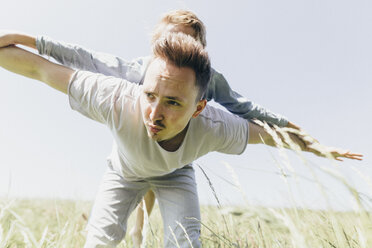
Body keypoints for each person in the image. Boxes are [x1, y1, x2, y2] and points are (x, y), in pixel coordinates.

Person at [0, 31, 362, 247]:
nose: (155, 114)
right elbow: (41, 69)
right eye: (150, 95)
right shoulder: (112, 97)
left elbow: (271, 134)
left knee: (185, 243)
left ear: (199, 108)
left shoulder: (217, 126)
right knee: (100, 240)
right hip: (123, 172)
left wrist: (320, 149)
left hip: (175, 176)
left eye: (173, 103)